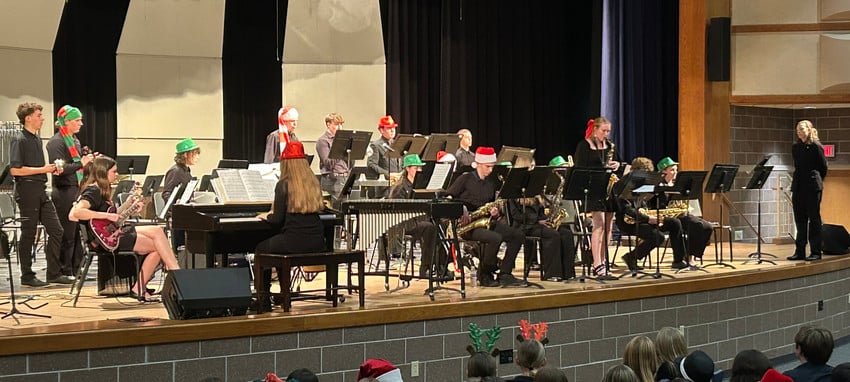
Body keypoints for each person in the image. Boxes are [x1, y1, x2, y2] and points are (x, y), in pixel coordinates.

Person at [69, 156, 181, 300]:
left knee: (157, 238)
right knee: (157, 238)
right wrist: (107, 216)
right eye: (113, 172)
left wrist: (129, 205)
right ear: (103, 172)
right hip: (104, 240)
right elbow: (75, 213)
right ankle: (177, 276)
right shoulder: (93, 191)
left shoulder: (101, 190)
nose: (116, 175)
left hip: (112, 233)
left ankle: (149, 284)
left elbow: (113, 217)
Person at [255, 141, 327, 310]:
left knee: (261, 249)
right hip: (316, 241)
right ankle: (283, 294)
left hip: (295, 241)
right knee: (278, 246)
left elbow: (277, 220)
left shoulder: (283, 185)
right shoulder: (313, 182)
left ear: (285, 163)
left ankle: (263, 299)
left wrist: (266, 216)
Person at [446, 147, 526, 287]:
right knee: (495, 238)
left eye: (492, 166)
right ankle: (485, 274)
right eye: (487, 166)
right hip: (466, 225)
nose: (490, 170)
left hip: (485, 222)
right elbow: (447, 198)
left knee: (517, 235)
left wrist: (495, 211)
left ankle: (505, 273)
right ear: (478, 164)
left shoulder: (491, 183)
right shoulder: (465, 178)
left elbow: (492, 205)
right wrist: (461, 208)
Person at [9, 102, 66, 286]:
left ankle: (53, 273)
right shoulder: (19, 139)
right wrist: (43, 169)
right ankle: (26, 275)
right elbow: (15, 170)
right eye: (39, 115)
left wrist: (50, 170)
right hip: (27, 190)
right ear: (28, 118)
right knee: (29, 233)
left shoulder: (36, 139)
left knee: (56, 230)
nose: (42, 118)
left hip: (40, 189)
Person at [46, 105, 95, 281]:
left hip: (75, 188)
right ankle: (63, 270)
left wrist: (88, 161)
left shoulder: (74, 140)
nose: (81, 123)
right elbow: (59, 169)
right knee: (66, 232)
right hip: (63, 190)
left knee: (76, 232)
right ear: (66, 122)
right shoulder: (56, 142)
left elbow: (77, 165)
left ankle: (76, 268)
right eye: (77, 120)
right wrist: (81, 163)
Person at [389, 154, 452, 280]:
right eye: (416, 168)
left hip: (419, 220)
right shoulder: (400, 188)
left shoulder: (420, 186)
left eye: (420, 168)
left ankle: (441, 265)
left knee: (441, 224)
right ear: (407, 169)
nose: (419, 171)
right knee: (429, 228)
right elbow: (397, 211)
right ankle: (425, 268)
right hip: (405, 223)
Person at [573, 117, 621, 279]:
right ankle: (597, 263)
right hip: (594, 188)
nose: (606, 134)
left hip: (609, 188)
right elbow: (579, 168)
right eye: (603, 131)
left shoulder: (610, 146)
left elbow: (620, 162)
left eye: (608, 131)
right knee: (598, 225)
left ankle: (604, 260)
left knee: (609, 226)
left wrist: (617, 165)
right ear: (595, 129)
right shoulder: (584, 146)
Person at [614, 157, 679, 272]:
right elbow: (627, 210)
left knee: (674, 223)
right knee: (658, 236)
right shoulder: (623, 184)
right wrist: (648, 219)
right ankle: (631, 257)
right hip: (628, 221)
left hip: (642, 218)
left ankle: (679, 260)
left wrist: (652, 215)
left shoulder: (642, 184)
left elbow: (643, 203)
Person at [654, 157, 713, 269]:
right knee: (696, 226)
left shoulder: (678, 184)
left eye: (676, 170)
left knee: (707, 227)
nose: (675, 172)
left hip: (681, 214)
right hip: (670, 217)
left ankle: (691, 254)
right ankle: (688, 257)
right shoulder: (659, 186)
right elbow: (661, 206)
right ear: (663, 172)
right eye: (672, 170)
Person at [788, 120, 828, 261]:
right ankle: (800, 251)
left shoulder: (816, 146)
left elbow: (823, 167)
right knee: (800, 219)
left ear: (809, 130)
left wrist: (816, 179)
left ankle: (815, 251)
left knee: (814, 219)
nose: (799, 132)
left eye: (802, 130)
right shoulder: (796, 147)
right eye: (797, 130)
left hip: (812, 186)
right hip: (799, 186)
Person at [162, 138, 200, 252]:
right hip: (177, 215)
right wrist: (176, 203)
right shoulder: (175, 171)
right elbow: (166, 194)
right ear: (185, 155)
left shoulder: (186, 171)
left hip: (184, 212)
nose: (198, 157)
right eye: (195, 154)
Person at [315, 112, 349, 203]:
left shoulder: (342, 140)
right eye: (336, 124)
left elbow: (349, 162)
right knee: (335, 207)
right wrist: (339, 146)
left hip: (344, 177)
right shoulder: (323, 141)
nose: (340, 128)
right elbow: (328, 163)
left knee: (345, 206)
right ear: (328, 124)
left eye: (341, 124)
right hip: (332, 179)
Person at [366, 115, 403, 198]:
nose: (392, 130)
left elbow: (401, 163)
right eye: (389, 128)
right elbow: (371, 164)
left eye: (394, 127)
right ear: (381, 130)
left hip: (398, 187)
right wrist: (388, 175)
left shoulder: (397, 144)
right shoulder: (376, 145)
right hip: (384, 188)